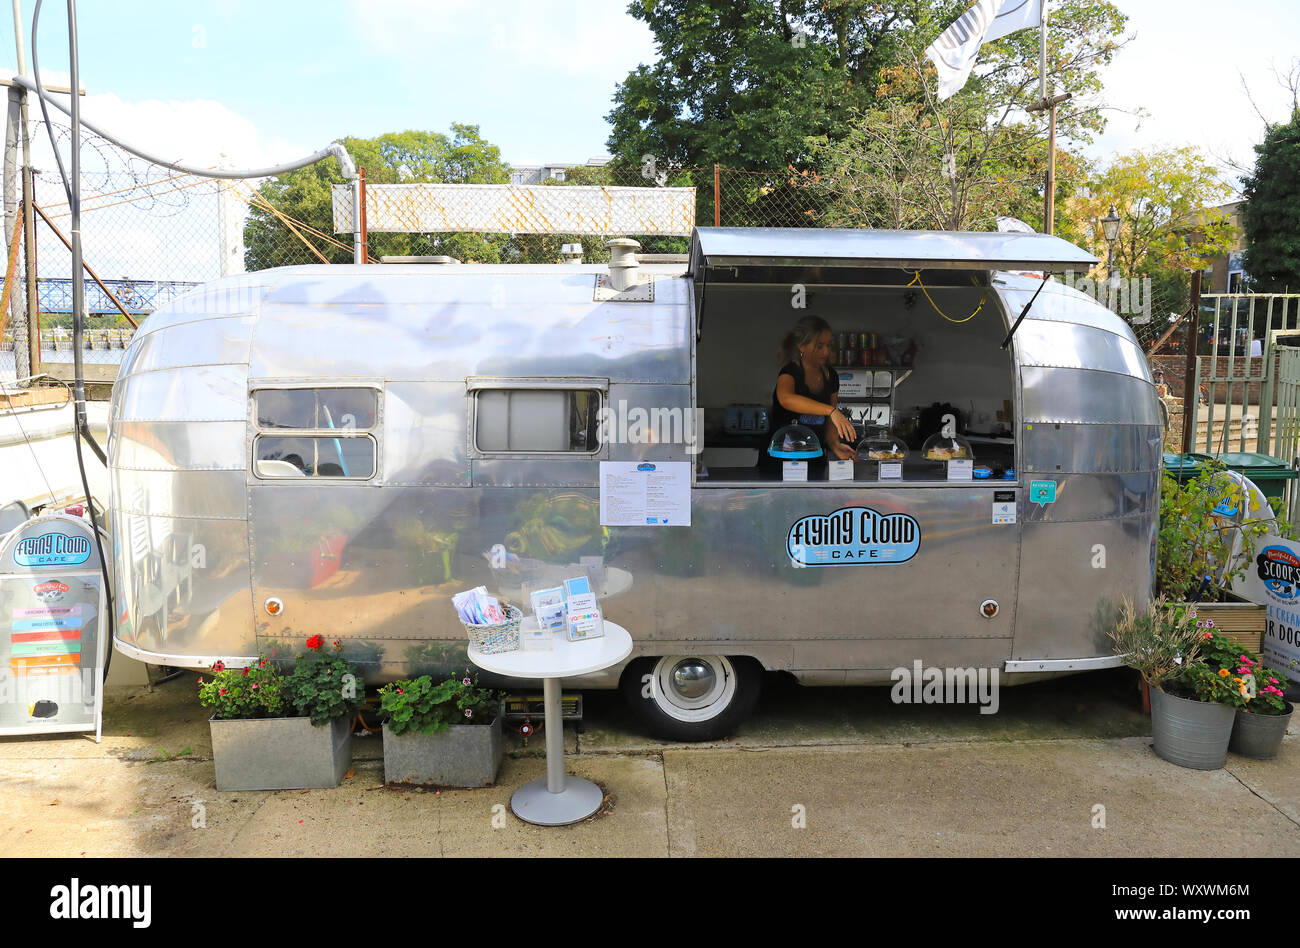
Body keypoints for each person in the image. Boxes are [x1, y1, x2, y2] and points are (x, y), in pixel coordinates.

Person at [763, 315, 857, 476]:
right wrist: (831, 411)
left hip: (815, 456)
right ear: (801, 346)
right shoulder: (790, 371)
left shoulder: (831, 375)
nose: (826, 351)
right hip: (782, 456)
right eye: (819, 346)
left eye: (829, 345)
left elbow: (829, 422)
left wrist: (835, 445)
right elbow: (786, 399)